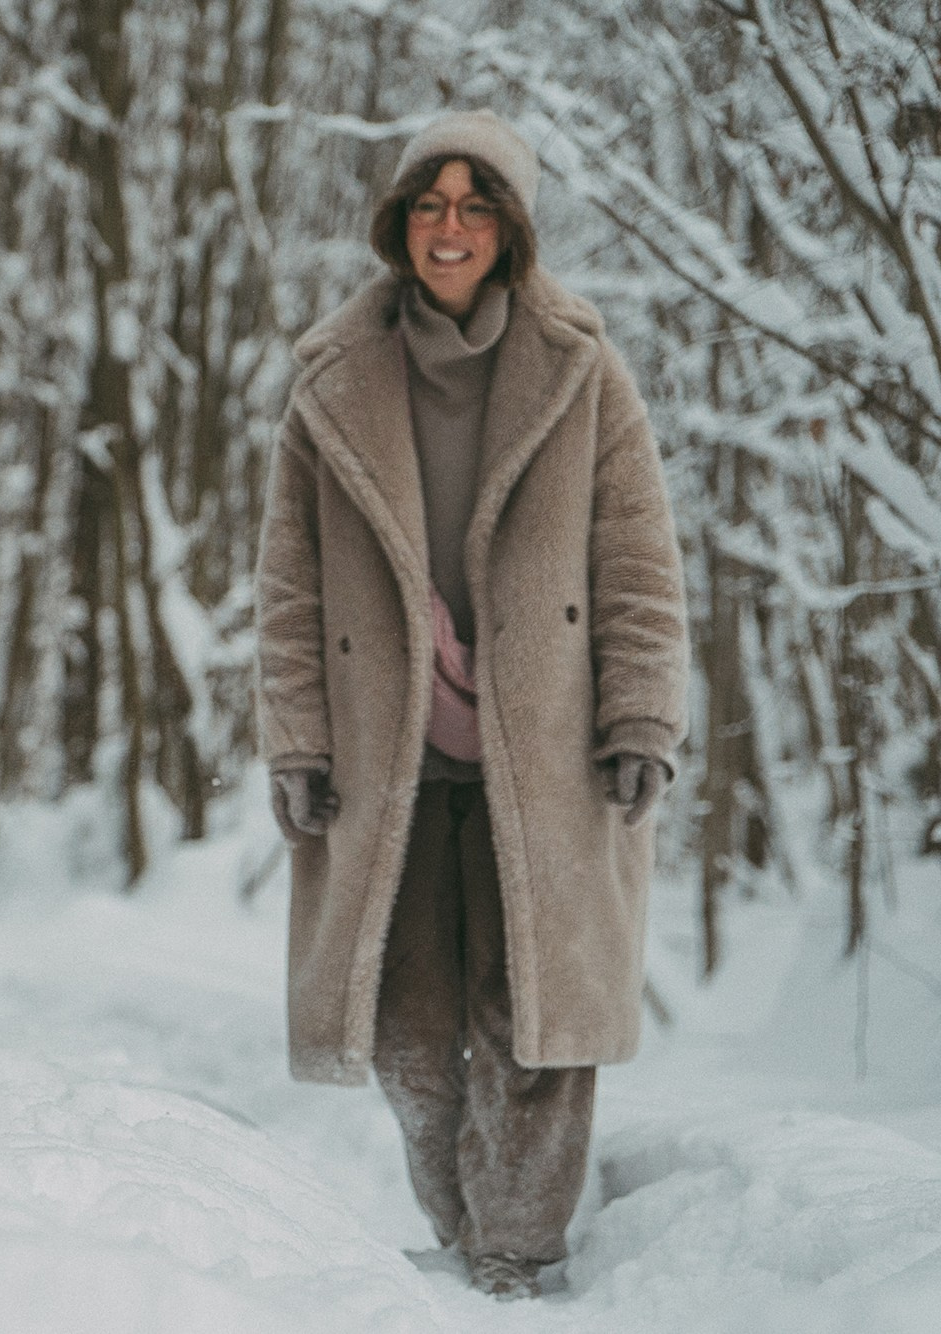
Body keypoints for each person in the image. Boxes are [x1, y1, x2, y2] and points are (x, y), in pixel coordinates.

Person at [253, 109, 688, 1299]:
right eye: (429, 205)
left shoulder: (580, 371)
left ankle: (514, 1248)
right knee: (403, 1022)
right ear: (399, 225)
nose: (449, 228)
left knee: (530, 1015)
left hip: (542, 751)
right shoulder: (331, 381)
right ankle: (462, 1219)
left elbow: (637, 561)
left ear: (509, 230)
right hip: (386, 754)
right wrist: (294, 737)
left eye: (474, 206)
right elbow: (289, 584)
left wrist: (640, 716)